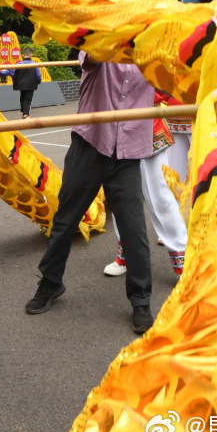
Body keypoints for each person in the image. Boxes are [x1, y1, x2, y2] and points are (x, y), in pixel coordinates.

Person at [26, 51, 155, 333]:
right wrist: (120, 39)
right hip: (90, 144)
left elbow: (180, 76)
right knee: (65, 220)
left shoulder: (153, 53)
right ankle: (51, 282)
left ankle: (141, 299)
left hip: (128, 153)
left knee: (134, 229)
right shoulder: (99, 41)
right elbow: (92, 55)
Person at [104, 92, 191, 277]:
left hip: (147, 122)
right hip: (117, 124)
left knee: (160, 195)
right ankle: (125, 253)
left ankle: (183, 261)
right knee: (121, 194)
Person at [0, 46, 41, 118]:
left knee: (23, 97)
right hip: (31, 85)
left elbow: (9, 71)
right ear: (31, 55)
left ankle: (23, 110)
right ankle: (26, 114)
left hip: (21, 84)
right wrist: (38, 82)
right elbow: (38, 76)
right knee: (28, 99)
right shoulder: (35, 65)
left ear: (23, 55)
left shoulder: (19, 65)